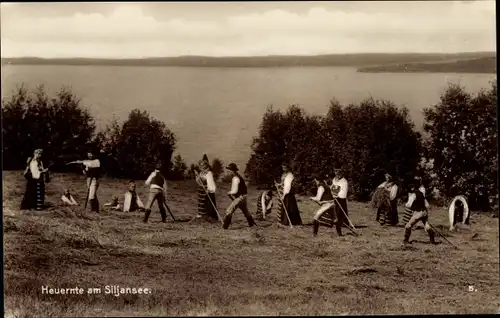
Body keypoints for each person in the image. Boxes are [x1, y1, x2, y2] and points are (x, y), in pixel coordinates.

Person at [223, 163, 256, 229]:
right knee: (245, 210)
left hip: (240, 197)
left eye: (229, 171)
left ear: (233, 171)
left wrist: (229, 193)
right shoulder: (238, 177)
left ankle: (225, 227)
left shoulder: (235, 178)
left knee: (229, 210)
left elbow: (234, 191)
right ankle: (252, 224)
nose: (228, 172)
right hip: (244, 196)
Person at [195, 156, 219, 222]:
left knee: (209, 203)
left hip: (207, 190)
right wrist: (197, 177)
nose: (201, 167)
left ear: (206, 166)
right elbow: (199, 181)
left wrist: (210, 190)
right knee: (201, 203)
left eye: (203, 165)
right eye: (201, 165)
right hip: (201, 191)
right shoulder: (201, 173)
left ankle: (211, 217)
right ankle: (202, 215)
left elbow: (210, 182)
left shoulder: (209, 173)